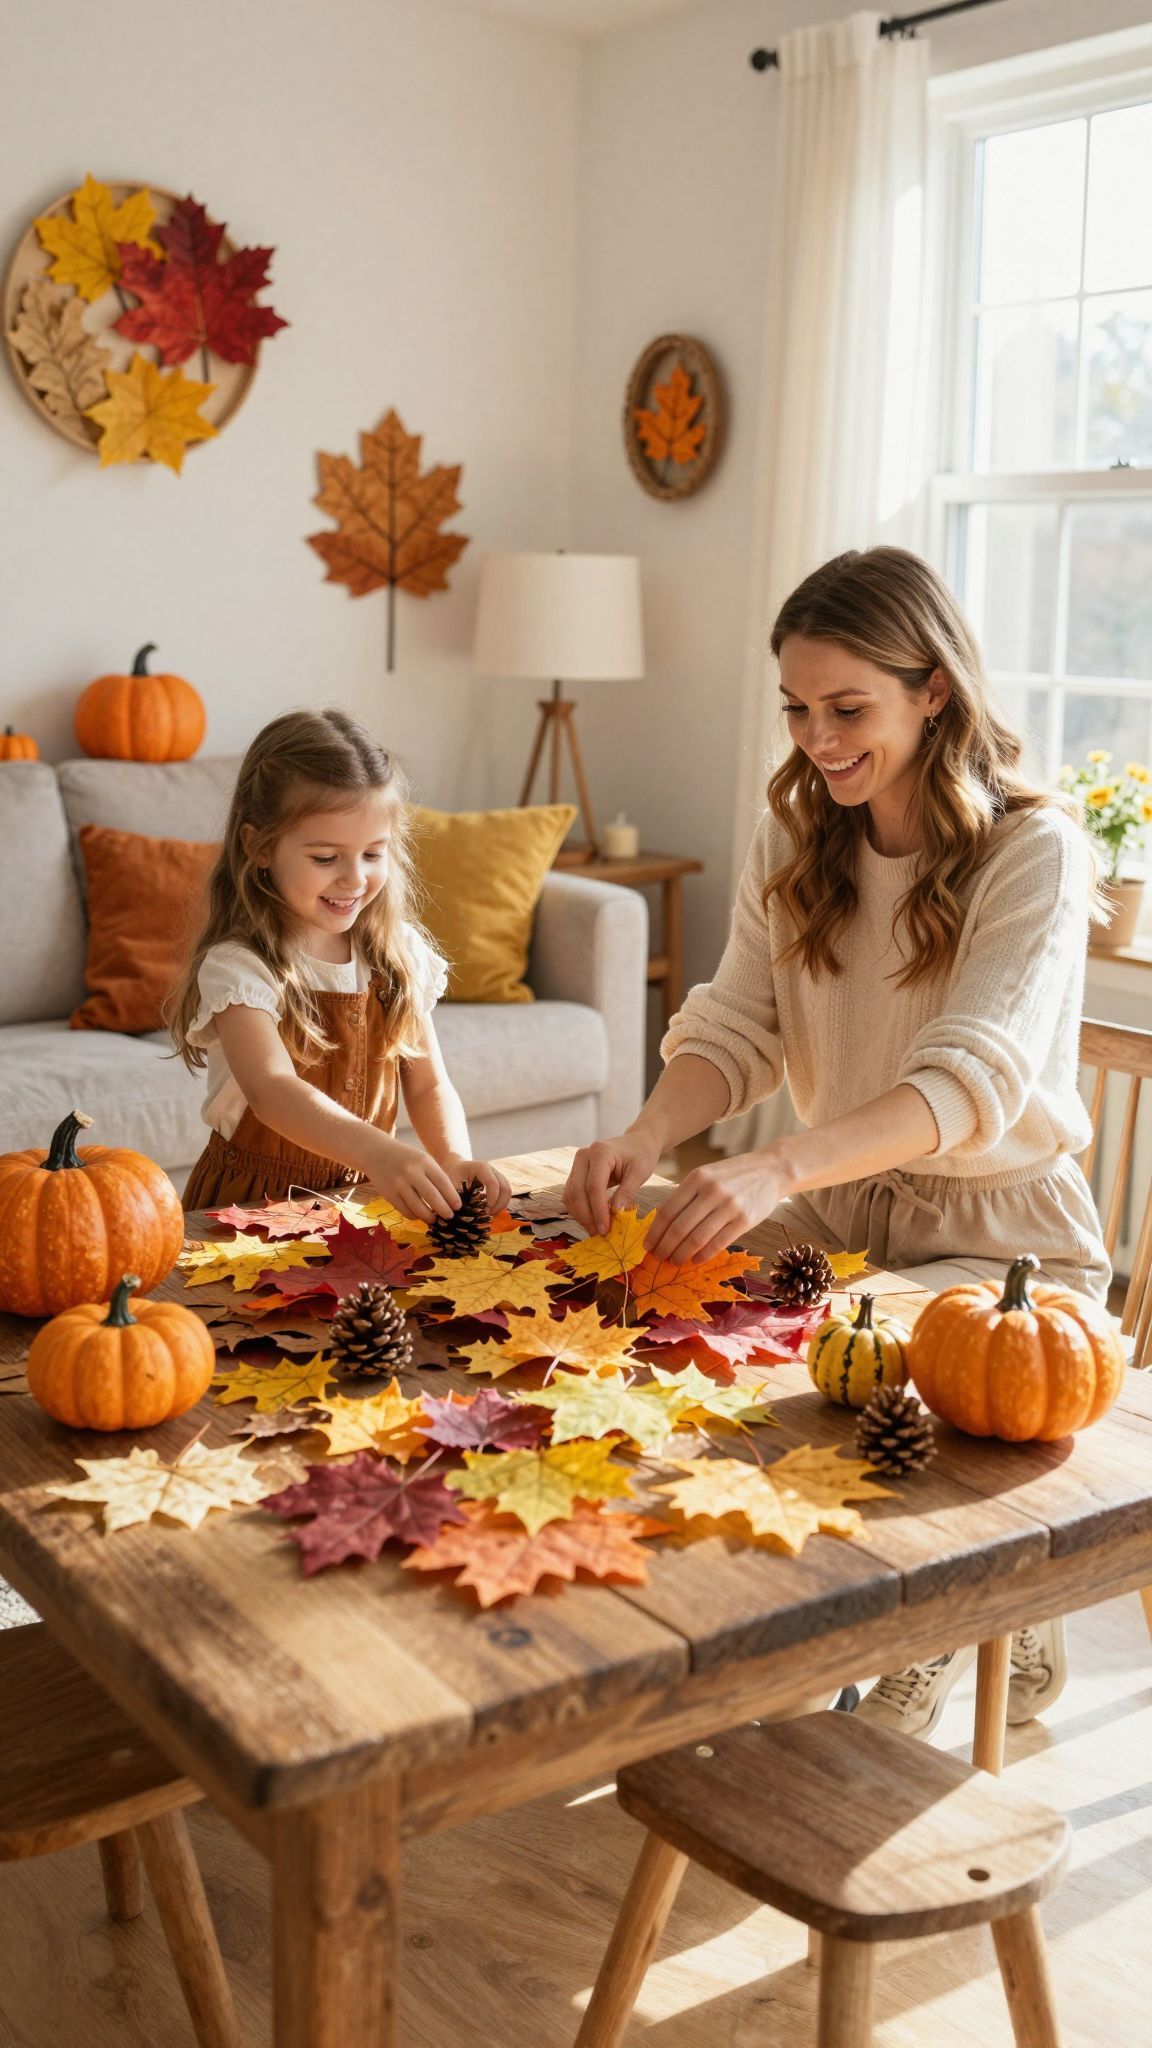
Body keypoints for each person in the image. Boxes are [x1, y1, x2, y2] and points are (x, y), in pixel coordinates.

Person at [565, 545, 1109, 1739]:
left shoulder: (1037, 848)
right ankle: (686, 1616)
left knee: (880, 1379)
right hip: (838, 1205)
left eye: (847, 707)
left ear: (935, 692)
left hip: (1001, 1235)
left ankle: (947, 1619)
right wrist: (652, 1131)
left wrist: (772, 1163)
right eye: (799, 709)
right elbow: (738, 1023)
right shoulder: (800, 832)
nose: (817, 738)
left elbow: (967, 1080)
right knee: (642, 1285)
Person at [170, 708, 511, 1222]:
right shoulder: (240, 967)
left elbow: (428, 1085)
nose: (354, 879)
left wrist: (454, 1157)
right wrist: (378, 1149)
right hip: (245, 1212)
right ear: (258, 847)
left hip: (360, 1207)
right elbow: (272, 1091)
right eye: (326, 858)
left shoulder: (396, 955)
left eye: (373, 854)